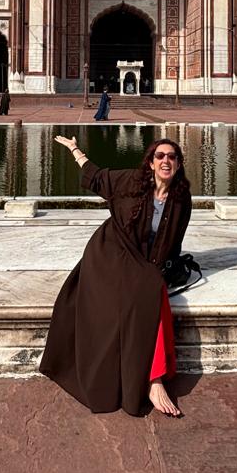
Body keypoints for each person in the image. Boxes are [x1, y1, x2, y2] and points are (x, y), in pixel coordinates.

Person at [41, 136, 191, 417]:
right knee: (143, 292)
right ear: (151, 162)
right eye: (160, 156)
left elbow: (174, 241)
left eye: (171, 156)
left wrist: (170, 266)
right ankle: (153, 380)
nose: (166, 161)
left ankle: (153, 379)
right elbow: (96, 177)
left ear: (179, 163)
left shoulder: (182, 199)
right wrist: (75, 150)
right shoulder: (131, 182)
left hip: (141, 263)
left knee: (149, 288)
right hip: (109, 253)